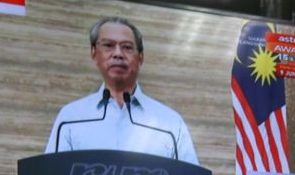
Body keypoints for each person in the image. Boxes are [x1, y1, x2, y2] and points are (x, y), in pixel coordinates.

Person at [45, 17, 198, 163]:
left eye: (127, 47)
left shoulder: (170, 123)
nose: (118, 54)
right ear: (94, 53)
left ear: (141, 57)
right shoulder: (71, 117)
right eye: (108, 45)